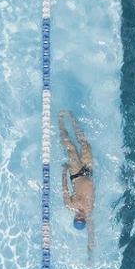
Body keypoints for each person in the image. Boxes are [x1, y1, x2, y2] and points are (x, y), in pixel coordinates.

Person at [58, 109, 97, 255]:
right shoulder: (89, 211)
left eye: (77, 218)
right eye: (82, 219)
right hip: (88, 171)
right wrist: (89, 246)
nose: (79, 216)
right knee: (86, 145)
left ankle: (61, 122)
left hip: (76, 174)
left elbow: (64, 188)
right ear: (84, 220)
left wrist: (64, 172)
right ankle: (72, 119)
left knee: (70, 147)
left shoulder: (70, 204)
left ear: (75, 217)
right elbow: (91, 231)